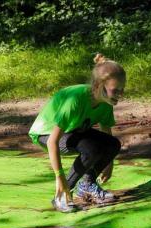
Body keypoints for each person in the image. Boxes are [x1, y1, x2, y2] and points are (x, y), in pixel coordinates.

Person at [28, 53, 126, 212]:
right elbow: (53, 141)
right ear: (98, 86)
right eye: (116, 90)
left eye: (122, 90)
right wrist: (59, 177)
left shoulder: (106, 103)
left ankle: (87, 185)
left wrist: (109, 163)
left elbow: (107, 135)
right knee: (91, 148)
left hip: (73, 131)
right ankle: (62, 196)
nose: (121, 95)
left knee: (113, 144)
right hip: (45, 134)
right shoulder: (75, 101)